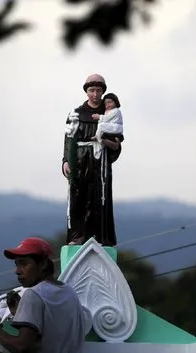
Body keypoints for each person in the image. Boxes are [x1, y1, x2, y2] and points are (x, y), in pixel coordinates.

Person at [62, 73, 124, 246]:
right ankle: (77, 236)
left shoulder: (110, 114)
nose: (95, 94)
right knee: (78, 197)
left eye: (98, 90)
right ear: (86, 91)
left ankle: (99, 236)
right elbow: (69, 139)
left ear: (103, 91)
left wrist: (111, 144)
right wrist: (66, 161)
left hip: (100, 162)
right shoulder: (76, 113)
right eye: (91, 90)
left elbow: (117, 138)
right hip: (80, 160)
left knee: (99, 198)